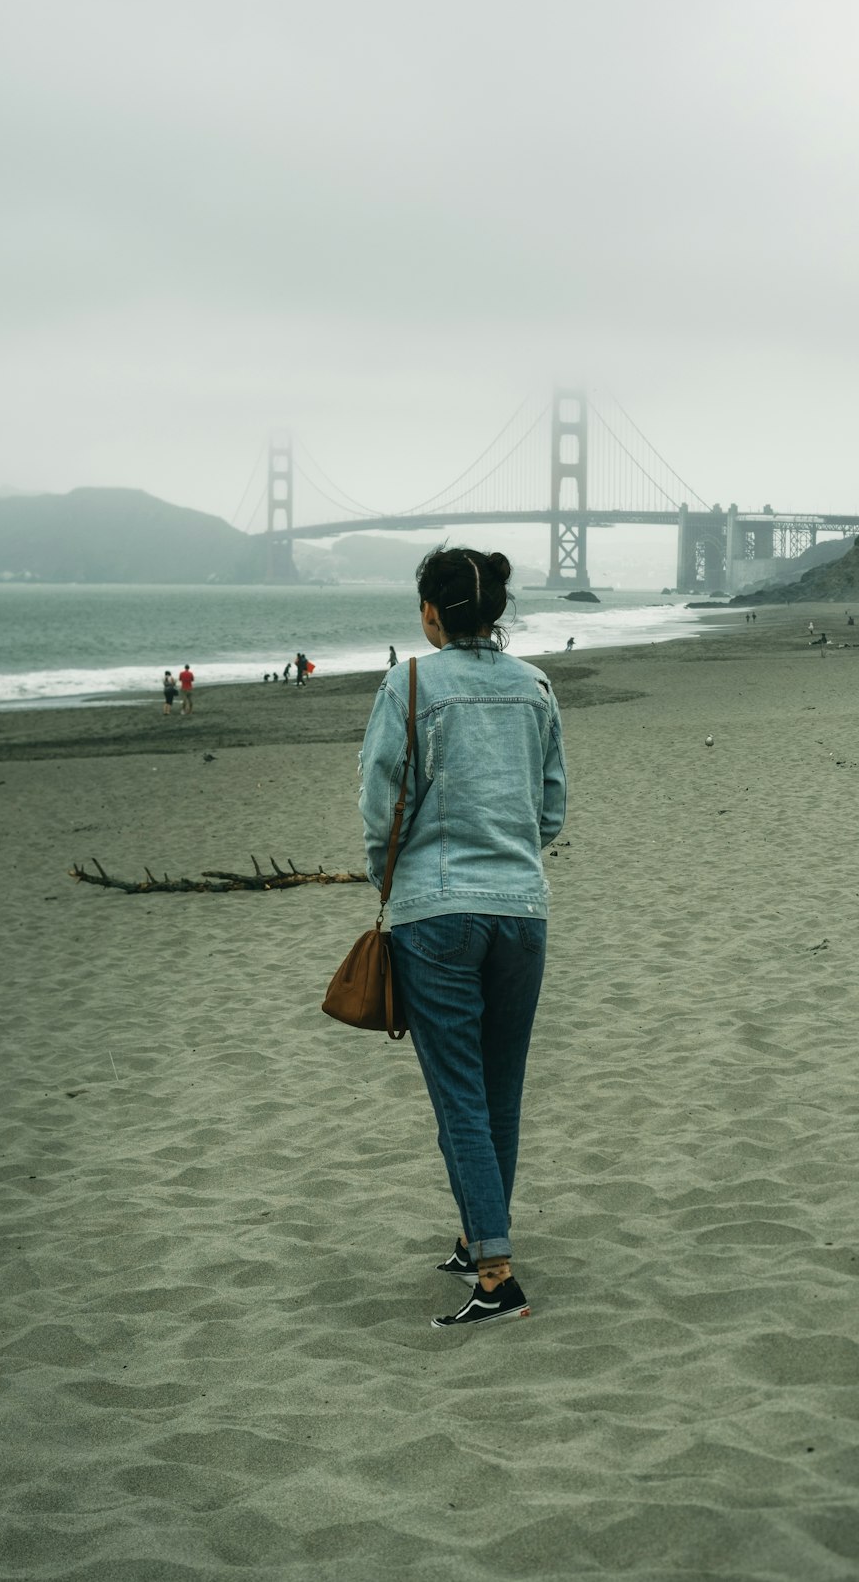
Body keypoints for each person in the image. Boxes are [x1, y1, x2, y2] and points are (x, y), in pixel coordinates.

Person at [359, 547, 567, 1331]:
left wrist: (387, 874)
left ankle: (496, 1275)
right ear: (497, 613)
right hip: (522, 911)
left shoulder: (409, 682)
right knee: (498, 1086)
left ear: (431, 613)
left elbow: (383, 803)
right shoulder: (538, 686)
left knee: (458, 1094)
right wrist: (511, 856)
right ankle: (475, 1233)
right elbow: (550, 809)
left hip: (436, 912)